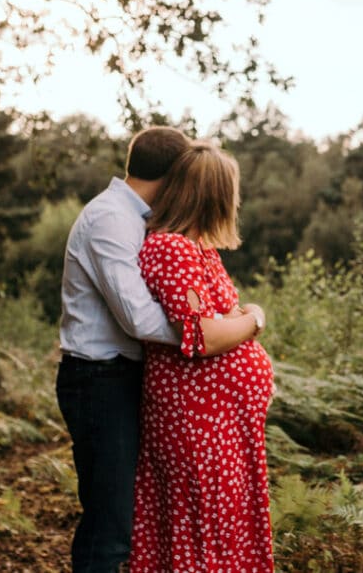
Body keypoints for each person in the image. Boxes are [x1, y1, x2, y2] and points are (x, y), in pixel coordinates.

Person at [129, 141, 274, 572]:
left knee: (222, 528)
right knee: (202, 529)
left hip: (220, 423)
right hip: (198, 424)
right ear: (214, 195)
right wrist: (255, 320)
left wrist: (239, 321)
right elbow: (205, 335)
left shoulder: (199, 250)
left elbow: (217, 320)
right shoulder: (172, 249)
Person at [56, 126, 192, 573]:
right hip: (99, 380)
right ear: (173, 176)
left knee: (120, 517)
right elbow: (138, 316)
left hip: (117, 378)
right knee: (109, 523)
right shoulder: (111, 219)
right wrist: (205, 334)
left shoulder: (133, 217)